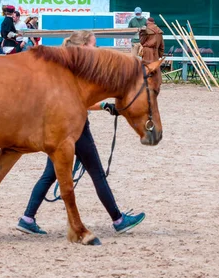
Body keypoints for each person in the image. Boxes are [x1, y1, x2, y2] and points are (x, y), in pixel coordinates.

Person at [15, 29, 146, 236]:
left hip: (59, 127)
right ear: (83, 46)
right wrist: (104, 105)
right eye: (93, 45)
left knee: (50, 175)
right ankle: (119, 220)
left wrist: (103, 105)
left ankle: (27, 218)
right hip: (76, 127)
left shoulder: (64, 64)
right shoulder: (78, 68)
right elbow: (78, 101)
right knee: (97, 174)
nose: (95, 49)